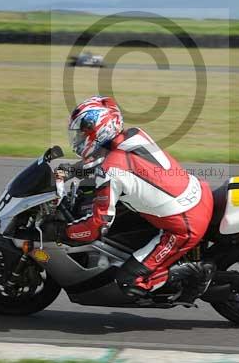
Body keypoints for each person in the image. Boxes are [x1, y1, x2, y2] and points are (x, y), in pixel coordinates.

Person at [61, 95, 214, 302]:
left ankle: (195, 273)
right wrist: (71, 171)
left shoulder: (111, 170)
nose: (78, 139)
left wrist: (64, 232)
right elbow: (106, 164)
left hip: (184, 226)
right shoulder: (133, 136)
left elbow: (97, 226)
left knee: (129, 281)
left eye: (82, 133)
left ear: (99, 130)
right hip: (199, 193)